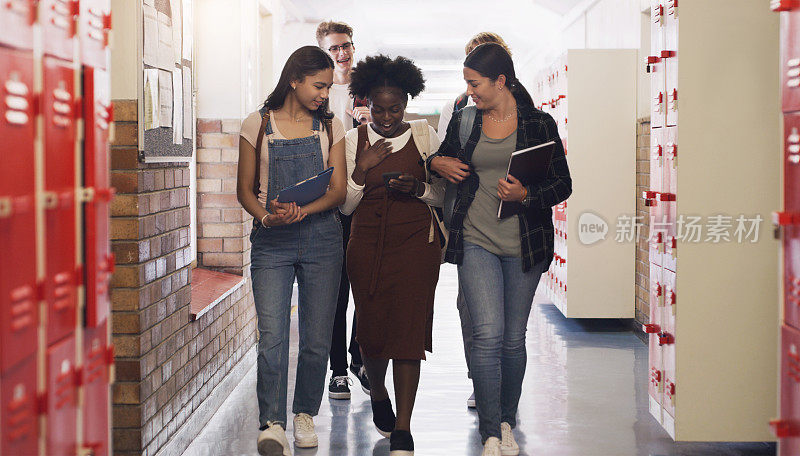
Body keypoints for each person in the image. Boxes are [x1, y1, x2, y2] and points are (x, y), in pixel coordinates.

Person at [428, 43, 572, 456]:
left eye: (475, 84)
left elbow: (563, 184)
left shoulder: (539, 124)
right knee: (487, 334)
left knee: (512, 338)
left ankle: (507, 421)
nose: (470, 91)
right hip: (476, 238)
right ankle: (489, 431)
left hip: (524, 244)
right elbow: (439, 157)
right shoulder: (465, 119)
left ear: (501, 81)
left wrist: (527, 194)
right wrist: (438, 163)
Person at [237, 46, 347, 456]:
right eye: (319, 85)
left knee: (317, 337)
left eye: (328, 87)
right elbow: (244, 190)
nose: (324, 94)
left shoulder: (330, 126)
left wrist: (303, 210)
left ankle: (304, 413)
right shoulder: (257, 124)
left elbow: (337, 192)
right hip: (271, 241)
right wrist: (267, 218)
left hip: (323, 239)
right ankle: (273, 423)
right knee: (273, 336)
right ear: (295, 80)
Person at [341, 54, 445, 456]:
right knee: (371, 325)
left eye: (395, 108)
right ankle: (377, 388)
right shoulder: (352, 142)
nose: (386, 117)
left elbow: (442, 195)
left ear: (407, 101)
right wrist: (361, 170)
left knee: (408, 331)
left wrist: (416, 190)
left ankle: (403, 426)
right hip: (366, 244)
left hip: (417, 244)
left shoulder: (424, 137)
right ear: (365, 103)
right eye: (378, 109)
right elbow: (346, 207)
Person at [435, 32, 513, 411]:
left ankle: (502, 396)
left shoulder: (524, 108)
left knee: (510, 330)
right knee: (473, 310)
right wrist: (437, 163)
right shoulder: (460, 110)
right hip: (471, 228)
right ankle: (478, 380)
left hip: (514, 228)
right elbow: (439, 156)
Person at [316, 20, 372, 400]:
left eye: (347, 45)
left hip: (366, 199)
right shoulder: (317, 95)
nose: (342, 53)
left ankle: (359, 357)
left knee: (365, 285)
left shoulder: (368, 89)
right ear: (324, 51)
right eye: (335, 47)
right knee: (336, 291)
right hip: (331, 202)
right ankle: (338, 370)